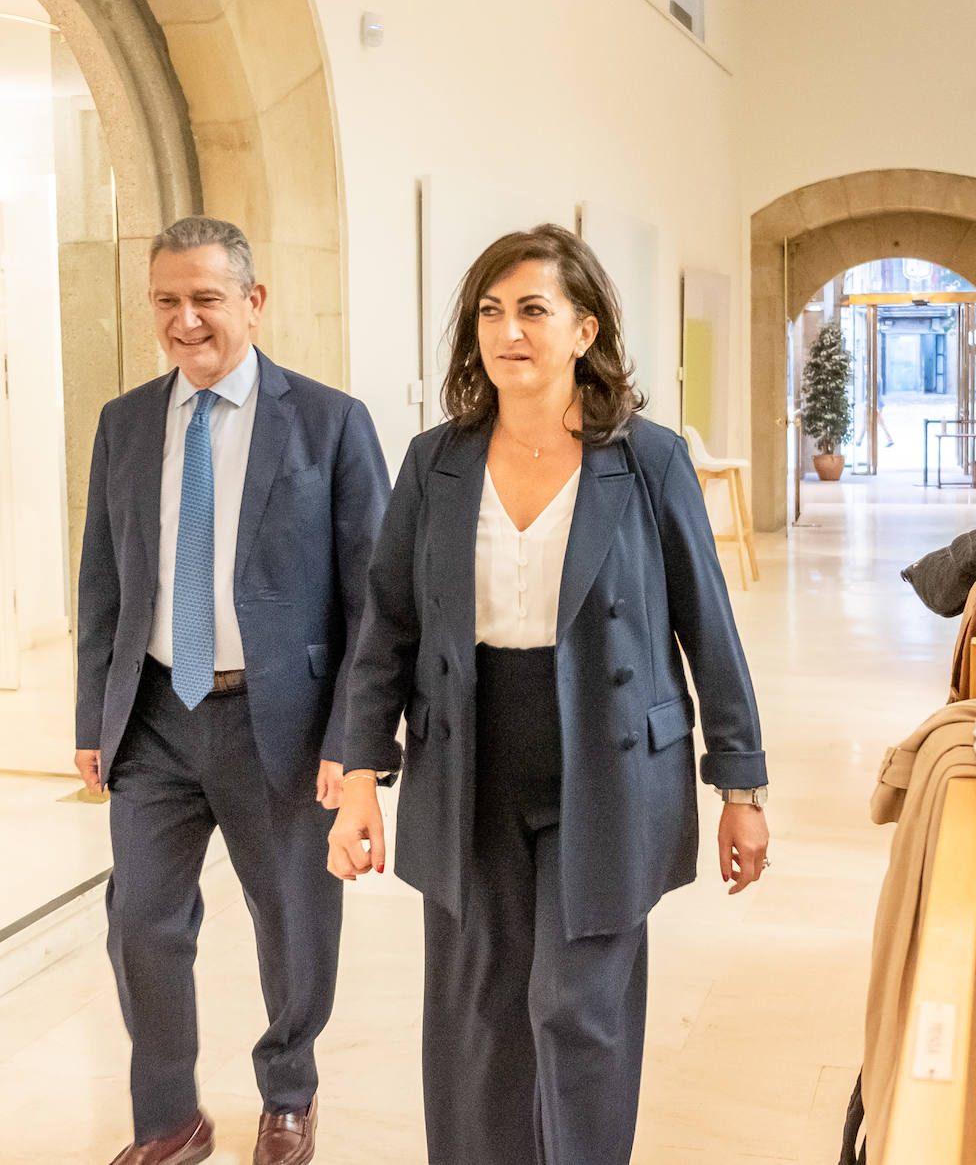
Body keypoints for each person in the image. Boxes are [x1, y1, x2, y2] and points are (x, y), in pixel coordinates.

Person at [329, 224, 771, 1165]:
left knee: (577, 1011)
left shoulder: (646, 461)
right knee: (478, 1014)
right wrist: (360, 773)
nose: (509, 331)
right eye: (491, 311)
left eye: (534, 309)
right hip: (469, 761)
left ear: (586, 330)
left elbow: (709, 628)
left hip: (608, 765)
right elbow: (387, 629)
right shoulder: (434, 463)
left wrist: (741, 787)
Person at [75, 216, 389, 1165]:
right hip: (158, 715)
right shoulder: (125, 423)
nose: (185, 320)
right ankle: (170, 1115)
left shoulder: (330, 422)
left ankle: (288, 1087)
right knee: (140, 921)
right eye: (167, 302)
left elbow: (374, 600)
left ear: (253, 303)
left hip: (280, 722)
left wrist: (356, 738)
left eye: (206, 298)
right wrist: (94, 715)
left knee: (292, 916)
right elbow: (102, 580)